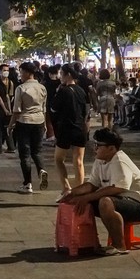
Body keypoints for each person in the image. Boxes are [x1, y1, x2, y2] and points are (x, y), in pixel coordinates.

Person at [60, 128, 140, 255]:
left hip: (138, 205)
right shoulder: (100, 160)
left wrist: (88, 197)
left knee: (105, 202)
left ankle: (119, 245)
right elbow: (92, 184)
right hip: (117, 200)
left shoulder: (119, 160)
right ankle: (87, 242)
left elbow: (117, 188)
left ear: (111, 148)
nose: (95, 148)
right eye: (95, 144)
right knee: (78, 201)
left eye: (98, 145)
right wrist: (72, 193)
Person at [8, 62, 48, 194]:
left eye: (21, 72)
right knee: (37, 152)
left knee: (25, 155)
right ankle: (41, 170)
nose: (20, 75)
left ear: (27, 72)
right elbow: (44, 108)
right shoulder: (42, 88)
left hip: (24, 122)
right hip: (39, 121)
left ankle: (27, 184)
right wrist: (45, 125)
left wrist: (10, 125)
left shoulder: (21, 88)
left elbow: (17, 110)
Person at [51, 63, 88, 196]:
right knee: (78, 161)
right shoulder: (81, 90)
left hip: (66, 128)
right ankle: (80, 190)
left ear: (68, 75)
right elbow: (85, 110)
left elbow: (54, 108)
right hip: (80, 129)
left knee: (59, 159)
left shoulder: (63, 90)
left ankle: (66, 188)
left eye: (62, 74)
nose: (60, 76)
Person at [0, 64, 15, 154]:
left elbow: (8, 97)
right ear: (0, 71)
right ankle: (8, 147)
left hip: (4, 107)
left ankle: (0, 149)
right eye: (4, 70)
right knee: (2, 128)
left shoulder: (10, 82)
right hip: (0, 106)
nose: (6, 72)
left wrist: (8, 109)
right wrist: (6, 109)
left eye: (7, 70)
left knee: (3, 128)